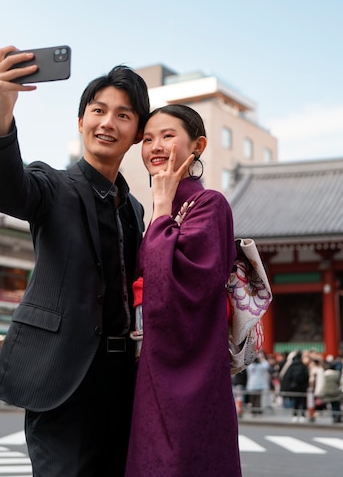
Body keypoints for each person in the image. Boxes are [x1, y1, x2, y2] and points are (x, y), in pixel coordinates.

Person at [0, 46, 150, 477]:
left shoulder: (133, 210)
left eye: (124, 115)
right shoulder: (51, 186)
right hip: (63, 379)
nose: (108, 122)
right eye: (98, 110)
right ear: (81, 121)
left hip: (123, 382)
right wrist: (3, 108)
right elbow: (5, 189)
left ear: (136, 133)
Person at [125, 104, 242, 477]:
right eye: (147, 138)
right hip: (152, 364)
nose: (155, 146)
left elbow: (176, 290)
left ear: (199, 146)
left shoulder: (209, 204)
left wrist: (160, 208)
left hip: (190, 367)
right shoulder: (162, 210)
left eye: (168, 135)